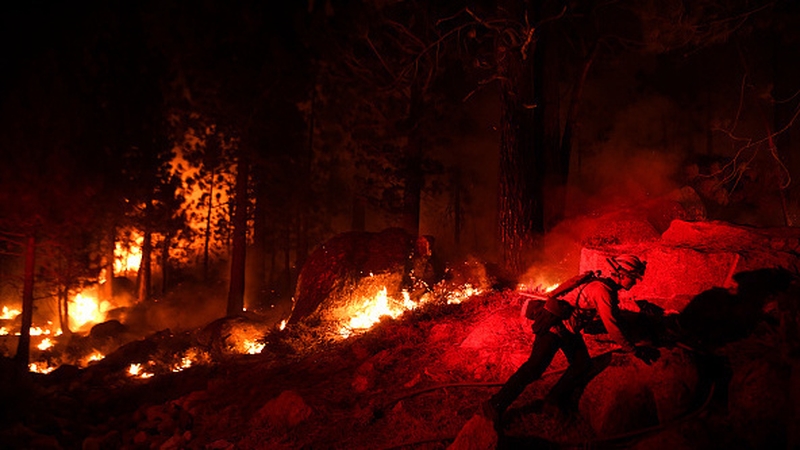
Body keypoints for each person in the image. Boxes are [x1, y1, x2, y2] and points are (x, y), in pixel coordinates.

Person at [482, 254, 660, 427]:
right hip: (555, 328)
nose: (635, 282)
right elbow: (613, 327)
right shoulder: (603, 291)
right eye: (633, 277)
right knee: (533, 369)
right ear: (621, 274)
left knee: (582, 364)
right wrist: (634, 350)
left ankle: (552, 401)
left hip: (567, 329)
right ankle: (494, 405)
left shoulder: (603, 286)